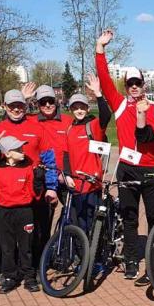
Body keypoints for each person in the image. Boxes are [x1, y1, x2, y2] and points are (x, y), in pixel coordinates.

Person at [95, 29, 154, 280]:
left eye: (138, 83)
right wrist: (100, 48)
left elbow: (153, 136)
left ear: (144, 85)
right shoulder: (120, 104)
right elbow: (104, 79)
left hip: (150, 169)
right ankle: (131, 260)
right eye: (130, 84)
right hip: (126, 167)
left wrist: (143, 116)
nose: (134, 87)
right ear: (125, 86)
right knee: (129, 218)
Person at [0, 136, 58, 294]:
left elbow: (35, 194)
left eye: (22, 148)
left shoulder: (28, 168)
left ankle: (29, 276)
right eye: (18, 149)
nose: (22, 151)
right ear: (7, 154)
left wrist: (39, 180)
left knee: (26, 246)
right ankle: (10, 276)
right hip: (4, 212)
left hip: (24, 211)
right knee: (7, 247)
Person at [0, 88, 58, 271]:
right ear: (4, 106)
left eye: (20, 105)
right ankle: (12, 271)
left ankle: (37, 269)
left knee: (39, 232)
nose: (16, 109)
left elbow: (49, 159)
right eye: (12, 106)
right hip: (9, 195)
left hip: (36, 190)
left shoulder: (37, 127)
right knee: (9, 237)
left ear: (25, 106)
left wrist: (51, 187)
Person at [61, 77, 112, 236]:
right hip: (76, 185)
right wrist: (67, 175)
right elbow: (66, 154)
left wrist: (98, 93)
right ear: (71, 110)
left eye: (82, 107)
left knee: (93, 224)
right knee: (80, 223)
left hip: (92, 184)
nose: (79, 110)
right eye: (75, 107)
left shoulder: (93, 126)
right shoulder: (69, 130)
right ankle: (83, 256)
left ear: (88, 108)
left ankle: (96, 258)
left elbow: (106, 116)